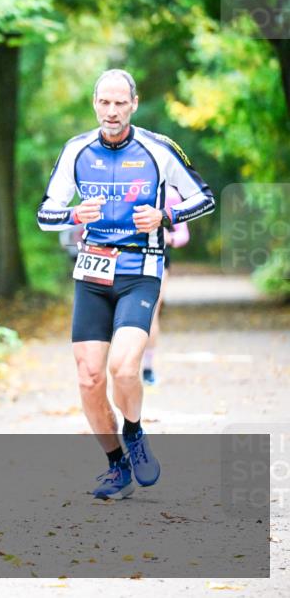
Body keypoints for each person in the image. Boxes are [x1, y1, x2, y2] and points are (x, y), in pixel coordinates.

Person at [37, 69, 215, 500]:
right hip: (93, 274)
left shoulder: (158, 149)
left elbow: (204, 197)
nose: (112, 111)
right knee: (90, 377)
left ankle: (134, 431)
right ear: (94, 104)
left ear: (133, 104)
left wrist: (166, 217)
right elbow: (46, 213)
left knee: (124, 368)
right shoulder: (76, 150)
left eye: (120, 103)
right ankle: (117, 465)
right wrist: (74, 216)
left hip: (141, 269)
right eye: (104, 103)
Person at [142, 185, 190, 385]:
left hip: (158, 259)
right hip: (123, 259)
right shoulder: (122, 182)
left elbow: (183, 233)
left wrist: (169, 238)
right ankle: (123, 366)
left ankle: (147, 369)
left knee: (150, 314)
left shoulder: (169, 193)